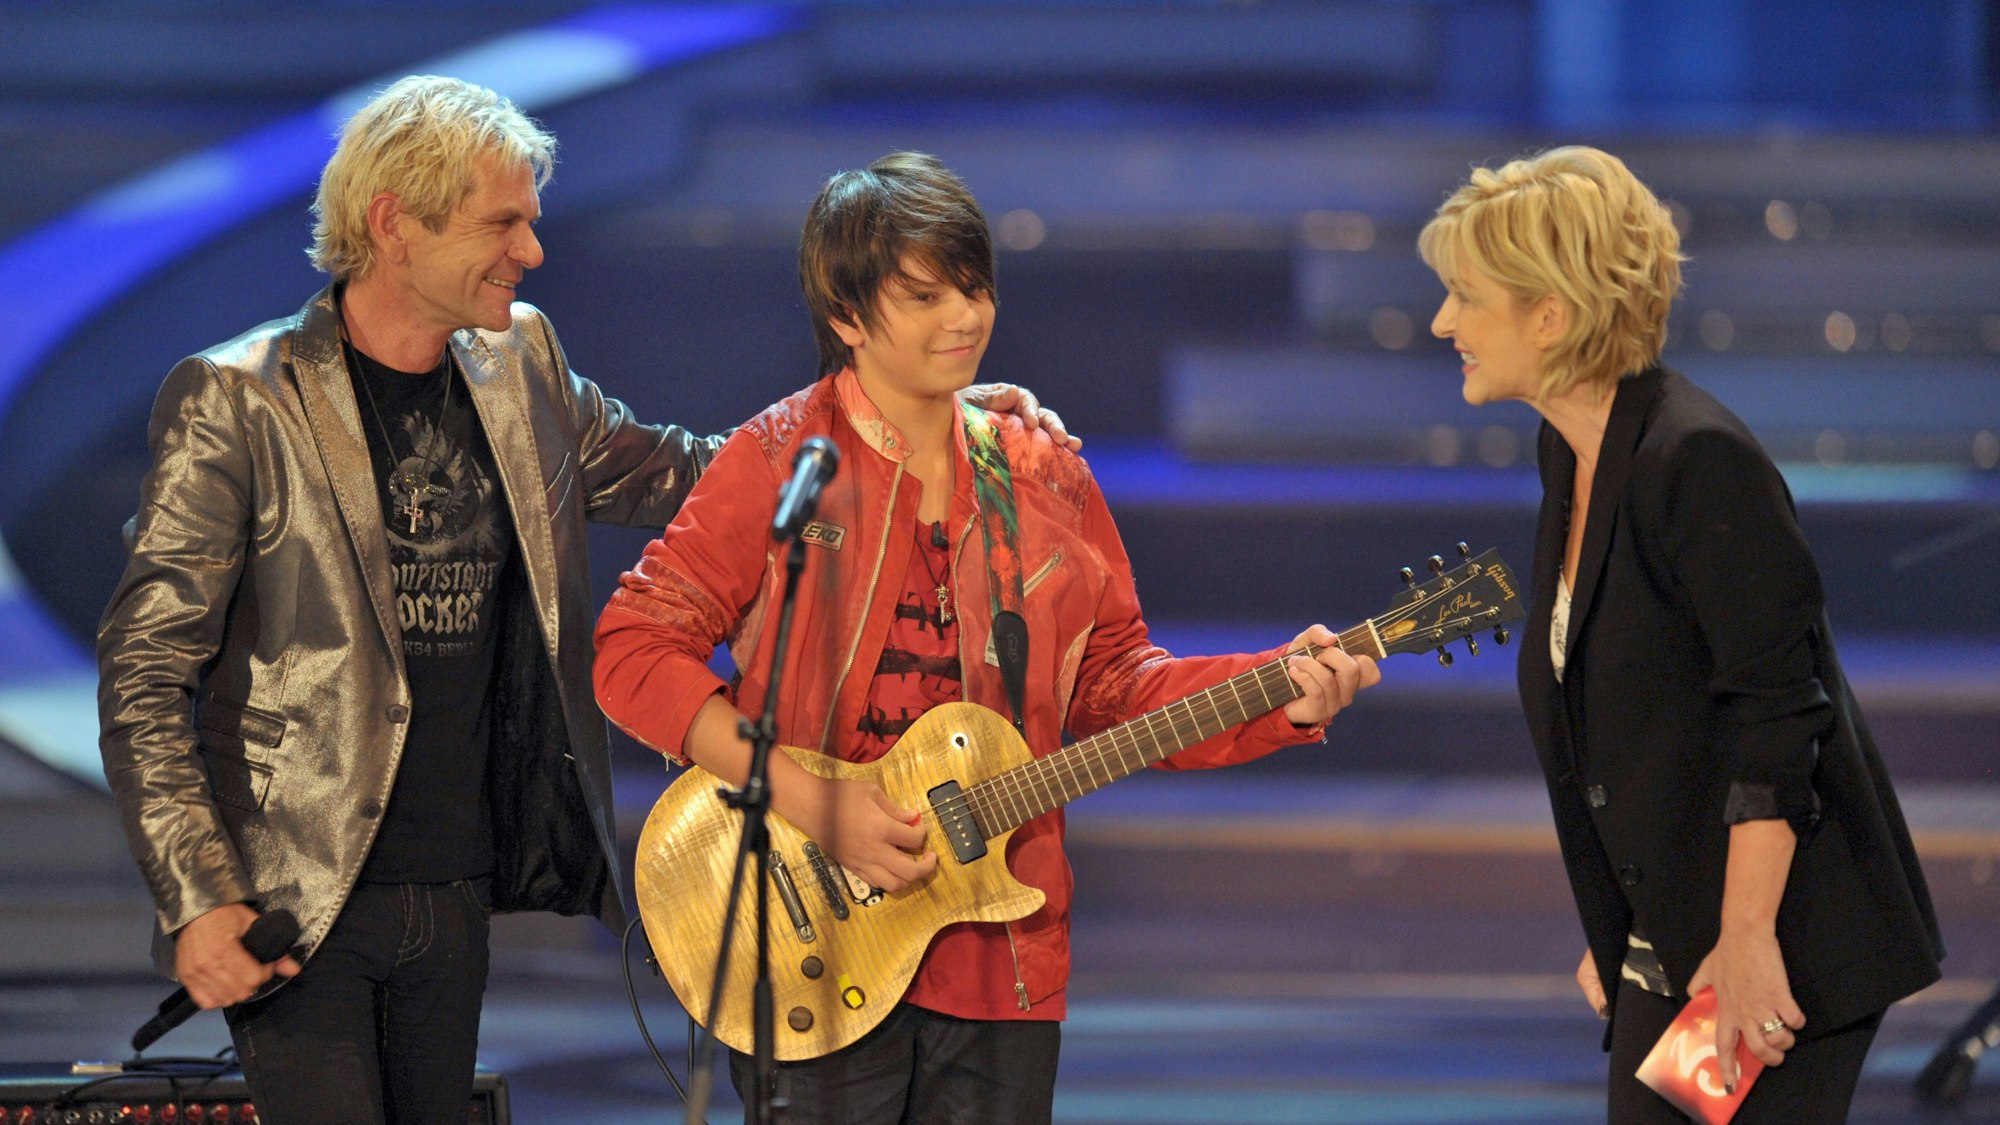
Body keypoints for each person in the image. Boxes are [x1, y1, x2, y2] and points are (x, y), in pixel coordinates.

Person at [95, 77, 1070, 1125]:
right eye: (501, 223)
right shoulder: (237, 399)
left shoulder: (523, 365)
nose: (530, 251)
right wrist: (199, 898)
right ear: (393, 224)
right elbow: (145, 672)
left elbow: (705, 477)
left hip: (460, 883)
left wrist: (909, 404)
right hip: (301, 896)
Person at [592, 150, 1380, 1123]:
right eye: (923, 296)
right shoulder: (777, 461)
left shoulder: (1043, 473)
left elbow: (1114, 684)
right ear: (845, 317)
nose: (962, 317)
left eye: (972, 287)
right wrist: (811, 798)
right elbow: (632, 652)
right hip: (808, 943)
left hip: (1005, 955)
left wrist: (1276, 693)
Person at [1418, 145, 1943, 1122]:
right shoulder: (1570, 451)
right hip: (1672, 939)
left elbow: (1777, 722)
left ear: (1549, 314)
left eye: (1462, 294)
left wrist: (1742, 938)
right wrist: (1625, 911)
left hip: (1774, 949)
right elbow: (1628, 721)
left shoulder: (1695, 461)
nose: (1442, 321)